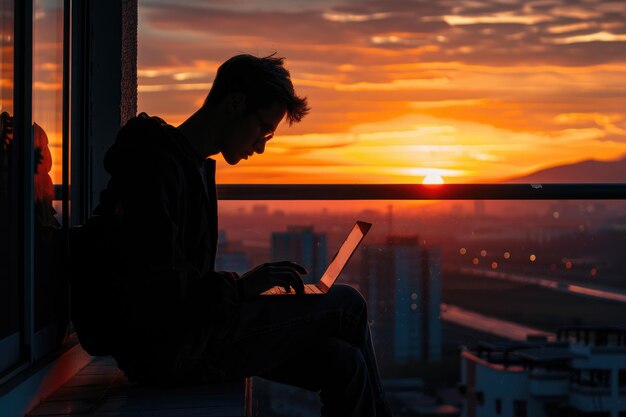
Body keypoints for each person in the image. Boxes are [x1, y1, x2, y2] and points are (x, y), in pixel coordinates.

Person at [70, 54, 394, 417]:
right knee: (348, 305)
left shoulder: (187, 166)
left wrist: (244, 290)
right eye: (263, 131)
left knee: (343, 362)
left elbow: (177, 280)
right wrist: (240, 289)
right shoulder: (158, 169)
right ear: (235, 103)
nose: (260, 147)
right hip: (170, 350)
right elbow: (157, 292)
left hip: (187, 337)